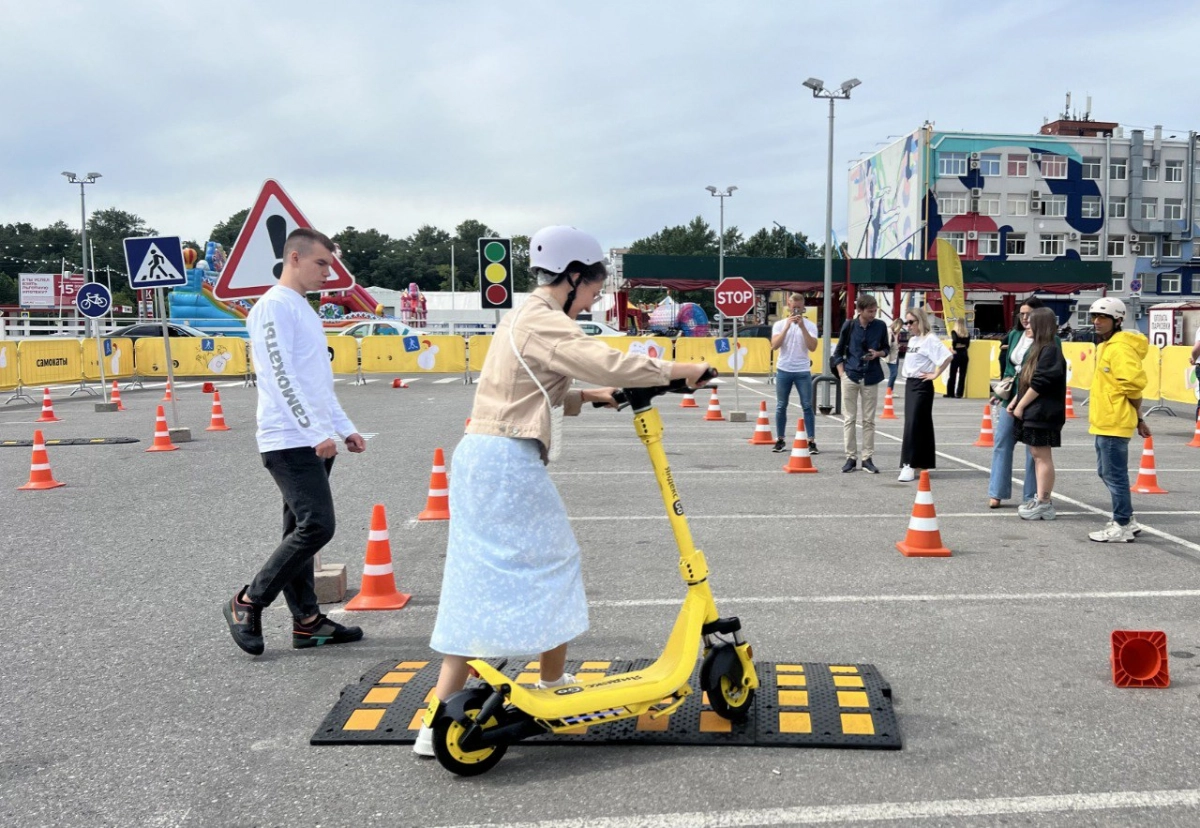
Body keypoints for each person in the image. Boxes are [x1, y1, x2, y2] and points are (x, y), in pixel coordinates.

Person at [414, 226, 713, 757]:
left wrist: (592, 397)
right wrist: (678, 369)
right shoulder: (543, 320)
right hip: (506, 462)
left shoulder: (524, 317)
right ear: (573, 276)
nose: (594, 299)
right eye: (594, 290)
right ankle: (551, 688)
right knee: (557, 565)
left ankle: (437, 718)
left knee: (476, 586)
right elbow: (601, 357)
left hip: (485, 456)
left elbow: (527, 389)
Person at [223, 228, 367, 656]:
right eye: (322, 263)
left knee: (299, 529)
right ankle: (247, 602)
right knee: (317, 525)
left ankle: (307, 623)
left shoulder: (303, 310)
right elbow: (278, 376)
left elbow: (316, 383)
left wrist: (343, 427)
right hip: (288, 439)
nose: (329, 272)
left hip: (313, 437)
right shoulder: (273, 308)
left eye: (330, 264)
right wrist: (314, 433)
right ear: (294, 258)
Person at [1086, 297, 1149, 542]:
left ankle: (1122, 523)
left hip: (1114, 419)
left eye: (1103, 317)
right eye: (1094, 317)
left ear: (1118, 320)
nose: (1096, 322)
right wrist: (1140, 418)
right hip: (1105, 419)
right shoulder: (1107, 346)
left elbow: (1133, 384)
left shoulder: (1120, 348)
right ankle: (1127, 519)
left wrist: (1138, 417)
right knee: (1107, 472)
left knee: (1114, 474)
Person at [1009, 308, 1067, 520]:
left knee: (1042, 456)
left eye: (1031, 322)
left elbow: (1041, 382)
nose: (1026, 325)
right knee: (1037, 455)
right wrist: (1016, 400)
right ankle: (1041, 500)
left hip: (1044, 413)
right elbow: (1027, 379)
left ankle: (1044, 502)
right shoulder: (1038, 349)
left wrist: (1020, 405)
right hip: (1037, 411)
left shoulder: (1050, 350)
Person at [987, 297, 1043, 509]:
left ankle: (1031, 495)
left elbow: (1045, 374)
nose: (1026, 318)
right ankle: (997, 492)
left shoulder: (1048, 339)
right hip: (1010, 397)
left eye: (1030, 314)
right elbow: (1009, 369)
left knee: (1033, 450)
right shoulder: (1015, 335)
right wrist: (1001, 392)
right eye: (1022, 314)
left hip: (1035, 399)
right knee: (1002, 442)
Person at [831, 294, 890, 473]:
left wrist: (878, 354)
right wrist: (842, 374)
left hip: (871, 376)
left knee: (869, 420)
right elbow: (838, 352)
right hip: (851, 375)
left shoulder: (880, 326)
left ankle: (867, 458)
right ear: (860, 310)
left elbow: (887, 349)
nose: (873, 314)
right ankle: (850, 457)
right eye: (870, 311)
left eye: (875, 311)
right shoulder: (849, 325)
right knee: (849, 418)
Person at [897, 307, 953, 482]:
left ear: (920, 321)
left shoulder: (930, 339)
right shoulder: (914, 340)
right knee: (917, 422)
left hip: (922, 384)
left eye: (911, 322)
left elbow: (947, 357)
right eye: (906, 322)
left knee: (914, 423)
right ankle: (922, 461)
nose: (908, 326)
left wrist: (935, 374)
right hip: (910, 383)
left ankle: (909, 463)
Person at [770, 293, 819, 454]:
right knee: (781, 405)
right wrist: (787, 327)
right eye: (793, 306)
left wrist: (802, 326)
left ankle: (811, 440)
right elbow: (775, 345)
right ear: (788, 306)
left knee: (807, 405)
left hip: (802, 370)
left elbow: (812, 347)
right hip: (784, 369)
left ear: (803, 307)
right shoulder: (779, 325)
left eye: (799, 306)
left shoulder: (810, 326)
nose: (796, 309)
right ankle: (780, 439)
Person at [945, 319, 971, 398]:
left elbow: (955, 341)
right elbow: (967, 344)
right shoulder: (967, 333)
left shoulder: (954, 332)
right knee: (962, 375)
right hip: (964, 353)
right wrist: (962, 343)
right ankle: (959, 393)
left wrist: (957, 344)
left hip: (956, 353)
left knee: (952, 373)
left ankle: (950, 393)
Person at [886, 317, 903, 392]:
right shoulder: (889, 331)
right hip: (891, 356)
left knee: (894, 373)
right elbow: (888, 344)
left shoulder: (894, 332)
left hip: (895, 355)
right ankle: (889, 391)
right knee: (894, 373)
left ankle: (891, 390)